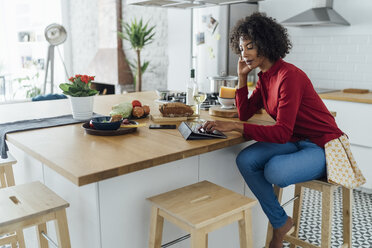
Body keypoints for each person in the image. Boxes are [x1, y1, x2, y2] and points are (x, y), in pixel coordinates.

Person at [202, 12, 343, 248]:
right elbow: (246, 112)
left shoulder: (289, 76)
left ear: (266, 44)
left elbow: (280, 133)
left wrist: (236, 126)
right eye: (241, 47)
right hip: (297, 141)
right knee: (246, 159)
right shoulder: (266, 77)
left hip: (322, 145)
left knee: (275, 172)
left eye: (250, 47)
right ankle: (280, 222)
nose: (244, 53)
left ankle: (280, 220)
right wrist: (241, 78)